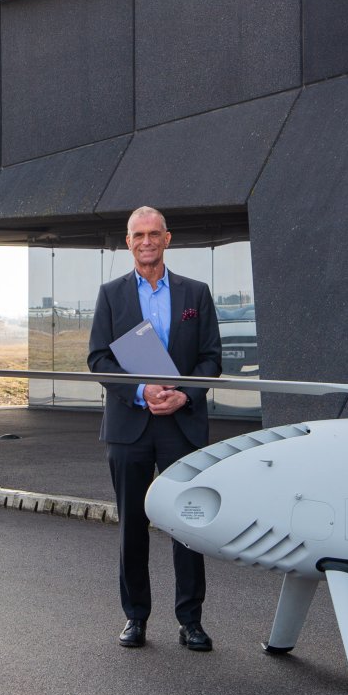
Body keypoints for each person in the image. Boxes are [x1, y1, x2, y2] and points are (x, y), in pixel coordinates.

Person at [88, 206, 222, 651]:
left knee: (188, 522)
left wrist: (185, 395)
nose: (145, 241)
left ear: (168, 238)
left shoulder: (196, 294)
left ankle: (191, 621)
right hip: (130, 426)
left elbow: (211, 360)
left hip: (181, 425)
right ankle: (135, 617)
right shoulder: (110, 295)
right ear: (128, 242)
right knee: (132, 526)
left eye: (153, 234)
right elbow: (99, 359)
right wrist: (143, 391)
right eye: (137, 235)